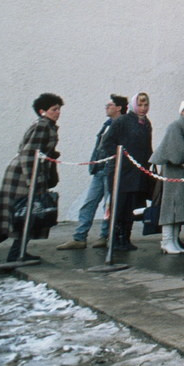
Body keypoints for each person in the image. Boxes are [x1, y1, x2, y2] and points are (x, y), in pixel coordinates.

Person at [0, 93, 63, 267]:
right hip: (23, 177)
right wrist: (35, 181)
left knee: (19, 216)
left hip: (24, 175)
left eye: (59, 109)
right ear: (42, 111)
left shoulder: (47, 125)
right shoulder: (43, 126)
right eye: (54, 109)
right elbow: (30, 154)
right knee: (25, 214)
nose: (58, 112)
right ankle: (11, 252)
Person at [57, 93, 128, 250]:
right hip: (100, 169)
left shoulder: (123, 125)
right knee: (90, 202)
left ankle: (104, 236)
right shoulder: (107, 124)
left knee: (108, 206)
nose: (106, 107)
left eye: (110, 105)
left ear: (119, 108)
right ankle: (79, 237)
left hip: (111, 170)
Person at [100, 92, 154, 252]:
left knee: (131, 207)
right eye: (141, 105)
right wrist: (119, 158)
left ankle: (126, 237)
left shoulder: (146, 123)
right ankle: (115, 238)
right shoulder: (123, 121)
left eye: (146, 105)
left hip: (137, 172)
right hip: (121, 173)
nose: (143, 109)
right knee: (119, 206)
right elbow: (107, 142)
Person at [150, 99, 184, 255]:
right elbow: (176, 152)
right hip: (175, 171)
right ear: (182, 111)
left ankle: (174, 240)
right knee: (171, 206)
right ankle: (166, 240)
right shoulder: (176, 126)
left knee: (181, 208)